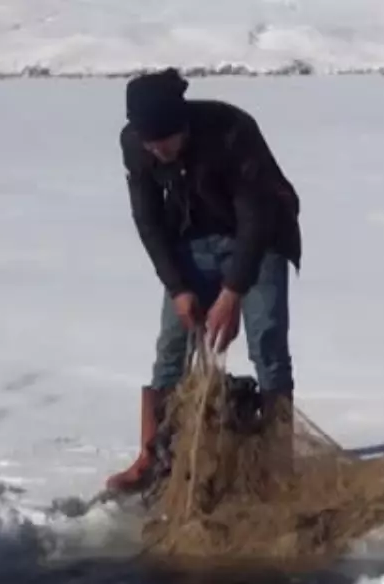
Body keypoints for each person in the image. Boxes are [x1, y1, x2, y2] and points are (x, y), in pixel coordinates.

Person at [105, 68, 302, 493]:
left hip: (261, 238)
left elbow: (256, 216)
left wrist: (231, 294)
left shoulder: (232, 131)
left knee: (266, 341)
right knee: (172, 346)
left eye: (166, 141)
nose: (158, 151)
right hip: (192, 239)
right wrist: (179, 288)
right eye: (149, 143)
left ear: (184, 125)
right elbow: (148, 220)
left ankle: (277, 465)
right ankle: (154, 456)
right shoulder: (136, 145)